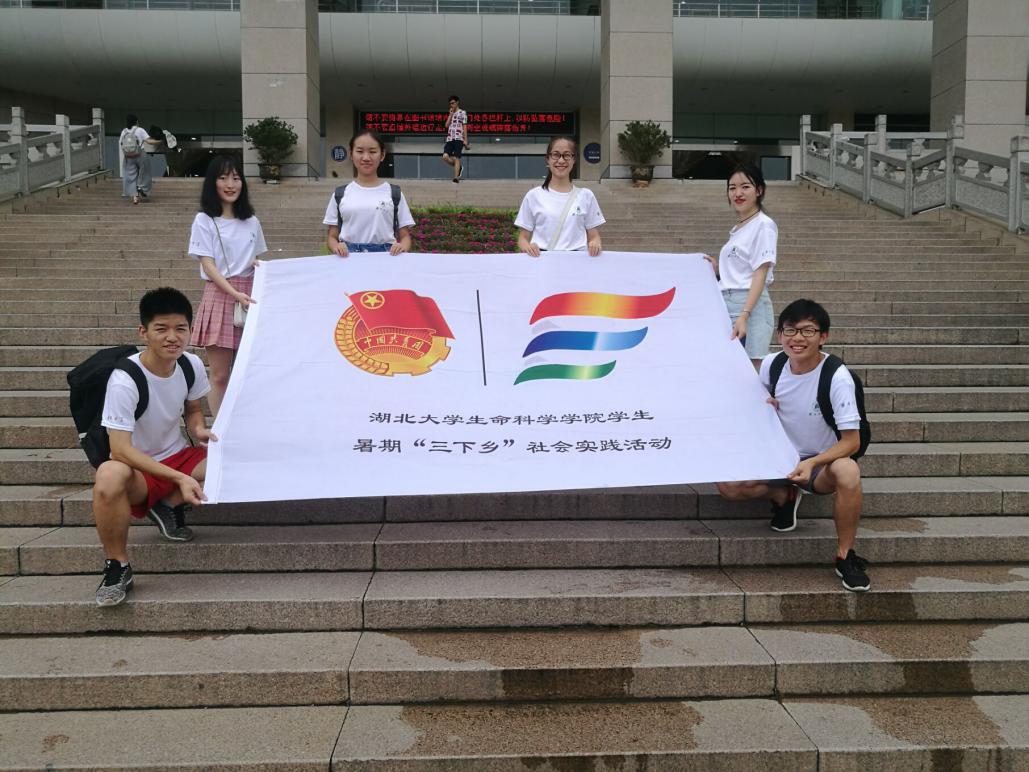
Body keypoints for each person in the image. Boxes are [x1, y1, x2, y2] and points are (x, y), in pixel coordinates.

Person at [716, 299, 869, 592]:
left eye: (808, 331)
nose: (797, 338)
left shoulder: (837, 377)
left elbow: (852, 441)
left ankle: (845, 556)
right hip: (779, 457)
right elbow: (751, 405)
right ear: (779, 335)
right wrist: (764, 406)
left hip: (820, 465)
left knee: (848, 470)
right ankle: (782, 495)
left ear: (823, 337)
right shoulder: (773, 365)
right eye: (790, 330)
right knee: (728, 484)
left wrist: (812, 462)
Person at [91, 287, 215, 607]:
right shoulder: (125, 379)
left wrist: (198, 429)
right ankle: (117, 566)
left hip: (177, 455)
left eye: (180, 328)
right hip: (137, 469)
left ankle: (166, 505)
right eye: (162, 329)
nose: (172, 337)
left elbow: (193, 408)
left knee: (234, 460)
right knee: (108, 474)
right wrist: (179, 478)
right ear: (143, 332)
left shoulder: (190, 364)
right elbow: (120, 449)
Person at [188, 154, 267, 416]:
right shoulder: (204, 220)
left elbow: (255, 257)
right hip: (221, 294)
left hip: (250, 295)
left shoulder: (251, 221)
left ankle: (243, 422)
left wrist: (258, 267)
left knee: (248, 371)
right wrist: (235, 293)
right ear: (213, 183)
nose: (230, 184)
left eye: (235, 178)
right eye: (223, 178)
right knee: (220, 374)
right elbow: (208, 264)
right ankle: (220, 429)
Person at [704, 163, 777, 369]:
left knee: (750, 370)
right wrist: (719, 270)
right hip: (727, 302)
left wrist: (745, 314)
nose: (738, 193)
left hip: (749, 305)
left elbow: (760, 272)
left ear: (759, 190)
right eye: (732, 188)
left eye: (745, 186)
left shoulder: (763, 225)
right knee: (730, 368)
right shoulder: (738, 228)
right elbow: (742, 268)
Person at [323, 130, 415, 257]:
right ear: (351, 154)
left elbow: (405, 237)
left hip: (385, 259)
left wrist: (401, 247)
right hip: (348, 260)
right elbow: (332, 236)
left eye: (372, 152)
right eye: (360, 151)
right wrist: (336, 246)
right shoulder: (340, 194)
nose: (366, 158)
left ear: (382, 155)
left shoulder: (394, 193)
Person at [515, 137, 604, 257]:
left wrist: (595, 243)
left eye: (567, 155)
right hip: (543, 261)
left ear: (574, 159)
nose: (561, 160)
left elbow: (594, 236)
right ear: (547, 159)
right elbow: (523, 238)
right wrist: (528, 247)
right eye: (555, 155)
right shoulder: (533, 196)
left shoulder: (586, 196)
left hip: (577, 261)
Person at [119, 114, 161, 204]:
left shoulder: (124, 132)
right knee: (145, 172)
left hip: (128, 156)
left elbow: (121, 144)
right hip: (140, 154)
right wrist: (160, 141)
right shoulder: (140, 130)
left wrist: (127, 154)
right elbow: (149, 141)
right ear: (136, 121)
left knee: (131, 176)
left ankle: (135, 198)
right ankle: (141, 187)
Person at [441, 95, 469, 183]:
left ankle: (456, 177)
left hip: (459, 138)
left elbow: (465, 126)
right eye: (450, 104)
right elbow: (446, 125)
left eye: (453, 103)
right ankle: (459, 167)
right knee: (445, 157)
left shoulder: (463, 112)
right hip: (450, 138)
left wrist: (465, 140)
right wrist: (450, 115)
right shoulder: (451, 113)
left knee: (457, 158)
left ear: (457, 102)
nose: (451, 105)